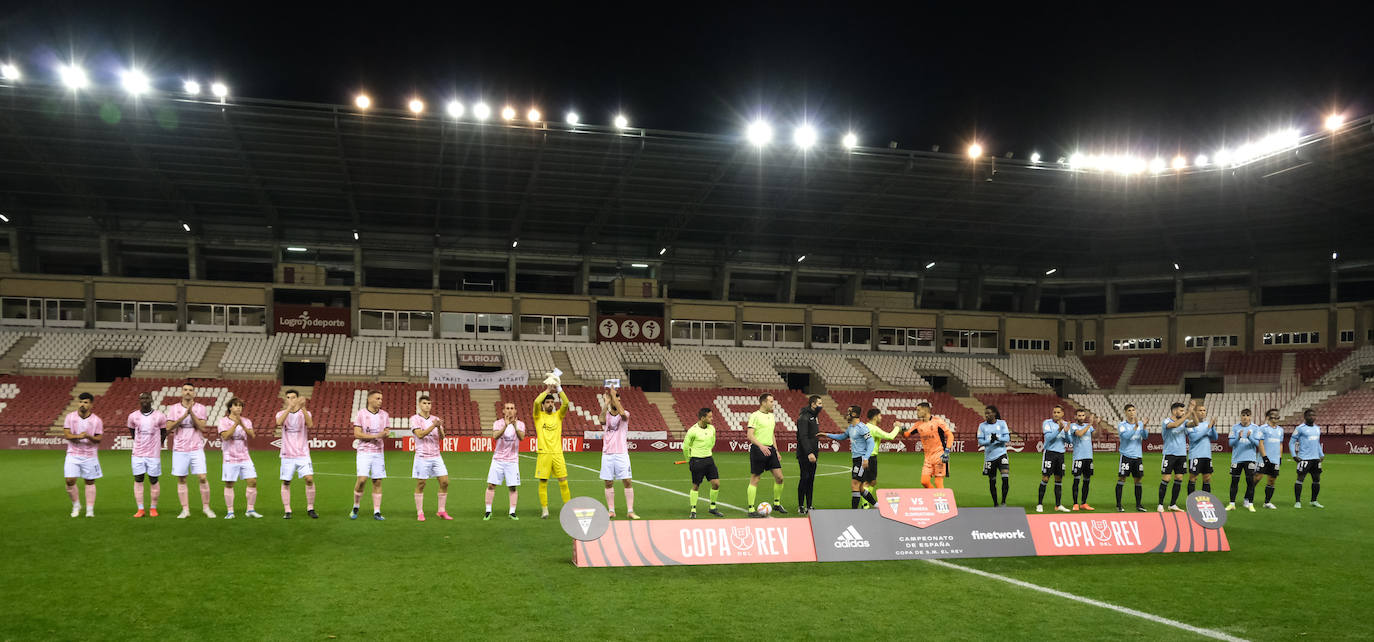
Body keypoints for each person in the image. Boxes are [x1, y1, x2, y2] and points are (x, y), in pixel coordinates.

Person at [166, 383, 215, 519]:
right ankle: (185, 510)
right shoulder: (174, 408)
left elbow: (202, 427)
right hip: (180, 448)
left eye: (190, 390)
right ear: (181, 392)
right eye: (185, 390)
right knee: (182, 478)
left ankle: (206, 507)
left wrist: (191, 412)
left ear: (194, 393)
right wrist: (182, 416)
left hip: (196, 447)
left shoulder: (201, 408)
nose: (188, 392)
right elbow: (169, 427)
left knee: (202, 477)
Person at [820, 405, 878, 509]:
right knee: (860, 488)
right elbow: (842, 436)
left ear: (854, 414)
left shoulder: (862, 428)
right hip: (856, 459)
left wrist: (866, 458)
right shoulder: (851, 427)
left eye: (849, 412)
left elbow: (871, 443)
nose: (847, 414)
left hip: (861, 459)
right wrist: (827, 435)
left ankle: (853, 512)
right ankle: (877, 505)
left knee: (854, 484)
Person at [275, 389, 318, 519]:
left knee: (309, 479)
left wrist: (302, 408)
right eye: (289, 398)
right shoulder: (281, 413)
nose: (291, 400)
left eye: (294, 397)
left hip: (303, 453)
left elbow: (310, 424)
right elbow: (278, 423)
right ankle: (287, 510)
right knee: (286, 481)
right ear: (286, 399)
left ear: (298, 398)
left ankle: (310, 507)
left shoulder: (305, 413)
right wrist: (289, 408)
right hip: (287, 454)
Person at [534, 382, 573, 519]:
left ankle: (567, 508)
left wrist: (559, 389)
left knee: (563, 480)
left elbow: (566, 403)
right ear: (543, 405)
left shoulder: (558, 416)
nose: (550, 404)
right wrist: (547, 390)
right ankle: (545, 510)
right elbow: (535, 402)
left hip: (557, 453)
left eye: (552, 401)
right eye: (548, 402)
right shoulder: (538, 416)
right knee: (543, 482)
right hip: (544, 453)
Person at [218, 397, 262, 519]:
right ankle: (230, 511)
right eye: (235, 405)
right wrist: (235, 424)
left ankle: (250, 509)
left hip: (244, 456)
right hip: (229, 457)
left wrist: (241, 424)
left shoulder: (247, 421)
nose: (238, 407)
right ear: (230, 408)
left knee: (252, 481)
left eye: (240, 406)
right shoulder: (223, 421)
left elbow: (252, 435)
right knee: (229, 483)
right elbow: (225, 436)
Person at [599, 386, 638, 519]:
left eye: (618, 399)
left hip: (621, 453)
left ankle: (630, 511)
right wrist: (606, 403)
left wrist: (614, 396)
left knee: (627, 481)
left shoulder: (625, 414)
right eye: (615, 400)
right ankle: (611, 510)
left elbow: (622, 414)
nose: (616, 402)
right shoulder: (607, 415)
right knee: (608, 482)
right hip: (607, 454)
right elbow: (601, 420)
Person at [62, 392, 103, 518]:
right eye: (80, 402)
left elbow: (99, 438)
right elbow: (67, 435)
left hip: (90, 455)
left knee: (89, 481)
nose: (82, 405)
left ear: (91, 404)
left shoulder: (97, 420)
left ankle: (90, 510)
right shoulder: (70, 417)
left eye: (85, 402)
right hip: (73, 454)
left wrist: (89, 436)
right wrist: (79, 436)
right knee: (69, 480)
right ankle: (76, 505)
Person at [411, 395, 451, 522]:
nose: (427, 405)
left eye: (429, 403)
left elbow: (442, 437)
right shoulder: (415, 419)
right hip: (422, 456)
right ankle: (420, 512)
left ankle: (441, 511)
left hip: (436, 456)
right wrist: (434, 426)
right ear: (419, 405)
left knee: (445, 482)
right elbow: (420, 435)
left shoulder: (435, 419)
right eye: (424, 403)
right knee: (421, 483)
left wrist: (439, 427)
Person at [746, 393, 786, 517]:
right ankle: (751, 509)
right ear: (763, 402)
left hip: (771, 450)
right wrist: (761, 446)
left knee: (780, 477)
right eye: (771, 401)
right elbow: (750, 435)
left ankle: (777, 503)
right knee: (755, 478)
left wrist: (776, 450)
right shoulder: (755, 416)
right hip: (758, 449)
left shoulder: (772, 416)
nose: (772, 404)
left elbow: (772, 434)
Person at [126, 392, 166, 517]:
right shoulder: (133, 416)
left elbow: (164, 432)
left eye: (147, 398)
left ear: (151, 400)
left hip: (153, 454)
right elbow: (132, 431)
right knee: (138, 479)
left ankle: (153, 508)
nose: (144, 400)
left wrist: (157, 445)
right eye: (142, 398)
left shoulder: (160, 415)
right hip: (138, 453)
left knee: (153, 480)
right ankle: (141, 509)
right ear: (139, 400)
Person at [351, 390, 389, 520]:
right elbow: (357, 434)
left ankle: (377, 511)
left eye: (381, 399)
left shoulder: (384, 415)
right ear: (370, 400)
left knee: (377, 481)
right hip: (364, 451)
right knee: (362, 480)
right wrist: (376, 436)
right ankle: (356, 506)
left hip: (378, 452)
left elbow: (387, 431)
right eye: (378, 398)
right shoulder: (361, 414)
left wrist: (386, 433)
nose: (380, 401)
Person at [485, 401, 524, 520]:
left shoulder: (520, 424)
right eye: (507, 408)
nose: (510, 410)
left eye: (512, 408)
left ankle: (512, 512)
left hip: (512, 461)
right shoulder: (498, 423)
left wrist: (514, 425)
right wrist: (506, 425)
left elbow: (521, 437)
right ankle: (488, 511)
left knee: (512, 487)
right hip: (498, 459)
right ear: (503, 411)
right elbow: (495, 436)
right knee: (491, 485)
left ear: (515, 410)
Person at [902, 401, 954, 490]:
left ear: (925, 410)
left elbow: (950, 435)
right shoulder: (918, 424)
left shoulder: (938, 422)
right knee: (924, 481)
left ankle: (941, 501)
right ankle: (936, 496)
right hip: (928, 458)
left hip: (940, 455)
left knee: (938, 482)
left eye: (918, 410)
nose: (917, 412)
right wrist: (900, 429)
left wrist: (947, 451)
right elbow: (906, 435)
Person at [684, 408, 724, 518]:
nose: (712, 418)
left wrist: (707, 451)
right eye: (710, 417)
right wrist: (689, 460)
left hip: (709, 459)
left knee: (716, 483)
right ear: (702, 418)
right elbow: (685, 447)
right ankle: (693, 509)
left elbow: (713, 441)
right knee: (696, 485)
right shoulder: (692, 430)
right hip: (696, 460)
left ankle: (712, 507)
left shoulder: (712, 429)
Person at [1157, 400, 1196, 512]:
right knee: (1166, 478)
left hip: (1181, 455)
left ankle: (1172, 504)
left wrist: (1192, 412)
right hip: (1169, 454)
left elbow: (1195, 424)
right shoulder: (1166, 421)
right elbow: (1175, 425)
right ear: (1174, 411)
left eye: (1184, 410)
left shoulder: (1185, 422)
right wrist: (1188, 413)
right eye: (1181, 410)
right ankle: (1160, 504)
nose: (1183, 412)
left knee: (1179, 478)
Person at [864, 408, 902, 507]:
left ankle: (866, 503)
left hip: (866, 456)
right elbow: (890, 436)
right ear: (875, 417)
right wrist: (897, 427)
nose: (881, 418)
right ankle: (865, 505)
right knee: (868, 483)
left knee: (871, 482)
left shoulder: (866, 426)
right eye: (880, 416)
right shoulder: (874, 428)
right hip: (870, 457)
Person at [1037, 405, 1072, 513]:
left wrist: (1065, 432)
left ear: (1062, 414)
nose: (1056, 414)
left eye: (1058, 412)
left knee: (1059, 479)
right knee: (1045, 478)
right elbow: (1048, 438)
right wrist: (1059, 429)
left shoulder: (1066, 424)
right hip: (1049, 453)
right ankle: (1039, 504)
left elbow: (1069, 441)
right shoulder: (1047, 423)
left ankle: (1058, 505)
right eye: (1054, 412)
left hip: (1060, 454)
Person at [1115, 404, 1147, 512]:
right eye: (1129, 410)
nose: (1132, 412)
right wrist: (1136, 427)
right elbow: (1126, 437)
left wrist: (1144, 427)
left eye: (1133, 410)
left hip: (1137, 456)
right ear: (1125, 412)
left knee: (1138, 480)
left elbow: (1145, 437)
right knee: (1122, 479)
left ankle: (1139, 505)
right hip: (1126, 456)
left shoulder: (1141, 424)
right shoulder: (1122, 425)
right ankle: (1119, 505)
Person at [1227, 409, 1261, 512]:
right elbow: (1230, 444)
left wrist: (1250, 437)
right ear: (1240, 416)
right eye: (1243, 415)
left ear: (1250, 416)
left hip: (1250, 458)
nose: (1245, 417)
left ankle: (1250, 504)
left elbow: (1258, 444)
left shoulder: (1255, 428)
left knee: (1250, 482)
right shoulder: (1235, 427)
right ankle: (1232, 503)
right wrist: (1238, 437)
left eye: (1247, 415)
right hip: (1237, 459)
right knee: (1234, 481)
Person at [1290, 408, 1325, 509]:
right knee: (1300, 479)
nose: (1312, 417)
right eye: (1310, 415)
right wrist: (1294, 455)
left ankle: (1314, 500)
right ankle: (1297, 502)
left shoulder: (1317, 428)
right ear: (1305, 417)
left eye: (1314, 415)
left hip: (1315, 459)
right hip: (1304, 458)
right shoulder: (1300, 428)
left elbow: (1317, 442)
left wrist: (1321, 454)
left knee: (1316, 479)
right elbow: (1291, 442)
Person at [977, 406, 1011, 507]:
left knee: (1005, 478)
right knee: (992, 481)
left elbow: (1007, 438)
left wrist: (998, 438)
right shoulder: (982, 426)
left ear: (994, 413)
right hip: (989, 457)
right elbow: (980, 441)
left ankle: (1003, 501)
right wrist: (990, 441)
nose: (986, 415)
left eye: (989, 413)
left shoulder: (1002, 423)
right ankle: (995, 503)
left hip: (1001, 454)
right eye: (985, 413)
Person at [795, 395, 823, 515]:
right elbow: (803, 437)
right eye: (819, 403)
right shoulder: (804, 418)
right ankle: (801, 505)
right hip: (804, 454)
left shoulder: (814, 417)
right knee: (804, 478)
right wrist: (809, 452)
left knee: (811, 479)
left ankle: (809, 505)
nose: (821, 406)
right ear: (813, 404)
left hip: (813, 454)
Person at [1185, 403, 1217, 497]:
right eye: (1200, 410)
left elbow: (1215, 437)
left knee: (1207, 478)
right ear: (1195, 412)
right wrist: (1208, 428)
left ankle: (1205, 501)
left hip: (1207, 455)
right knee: (1193, 478)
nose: (1203, 412)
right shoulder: (1190, 424)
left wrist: (1213, 427)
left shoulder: (1208, 424)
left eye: (1204, 410)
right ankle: (1191, 500)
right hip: (1195, 455)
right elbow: (1194, 438)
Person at [1257, 408, 1285, 509]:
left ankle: (1267, 502)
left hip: (1275, 459)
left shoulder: (1280, 430)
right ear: (1268, 417)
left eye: (1278, 416)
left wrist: (1280, 457)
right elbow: (1260, 443)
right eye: (1274, 416)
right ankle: (1247, 499)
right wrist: (1264, 457)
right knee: (1257, 478)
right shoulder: (1263, 428)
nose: (1276, 418)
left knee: (1272, 480)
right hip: (1263, 459)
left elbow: (1280, 444)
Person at [1069, 409, 1097, 511]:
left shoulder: (1089, 426)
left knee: (1086, 481)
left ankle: (1084, 503)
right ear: (1075, 417)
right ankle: (1075, 503)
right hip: (1078, 457)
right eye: (1079, 415)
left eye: (1083, 415)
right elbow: (1080, 434)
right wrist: (1089, 424)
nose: (1081, 417)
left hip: (1089, 457)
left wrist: (1097, 425)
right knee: (1076, 480)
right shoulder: (1073, 426)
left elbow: (1096, 436)